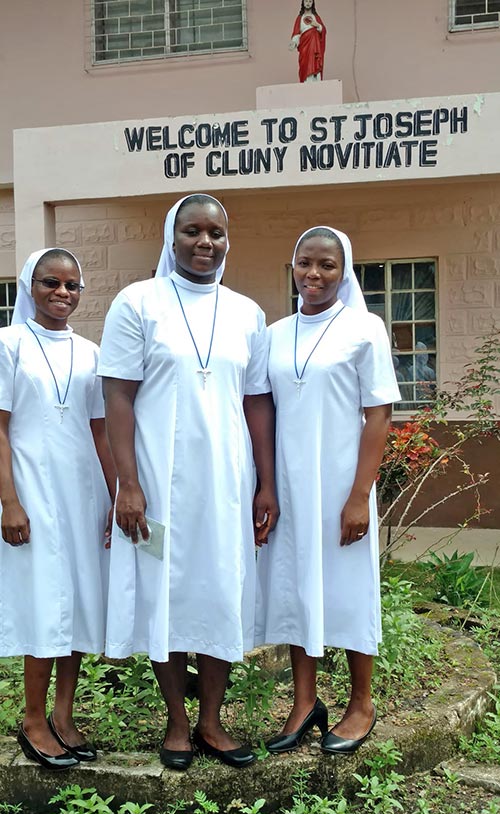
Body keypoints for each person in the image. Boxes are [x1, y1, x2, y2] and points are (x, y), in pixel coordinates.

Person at [98, 193, 278, 771]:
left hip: (227, 482)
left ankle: (211, 722)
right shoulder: (138, 302)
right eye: (193, 230)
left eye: (216, 233)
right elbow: (117, 397)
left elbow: (257, 403)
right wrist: (127, 484)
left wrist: (266, 484)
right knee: (166, 596)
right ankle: (177, 722)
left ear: (227, 240)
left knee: (221, 593)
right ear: (171, 238)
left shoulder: (247, 313)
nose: (205, 242)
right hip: (156, 482)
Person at [256, 226, 400, 755]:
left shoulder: (364, 328)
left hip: (342, 484)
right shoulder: (274, 333)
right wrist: (266, 486)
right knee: (298, 587)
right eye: (304, 263)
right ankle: (304, 702)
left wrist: (360, 495)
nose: (313, 274)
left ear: (345, 271)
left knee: (350, 588)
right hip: (290, 485)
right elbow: (263, 408)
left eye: (327, 265)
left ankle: (361, 704)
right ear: (293, 266)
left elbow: (379, 413)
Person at [0, 248, 115, 770]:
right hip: (32, 490)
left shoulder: (90, 352)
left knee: (81, 602)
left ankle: (63, 717)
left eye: (72, 285)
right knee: (46, 602)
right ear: (31, 285)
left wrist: (116, 495)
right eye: (51, 282)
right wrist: (9, 501)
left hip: (82, 493)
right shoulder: (9, 344)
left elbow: (100, 431)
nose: (62, 293)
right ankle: (32, 719)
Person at [290, 0, 327, 83]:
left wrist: (317, 25)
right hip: (304, 46)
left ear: (313, 3)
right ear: (303, 3)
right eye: (306, 1)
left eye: (310, 1)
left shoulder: (316, 17)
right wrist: (294, 42)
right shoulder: (299, 18)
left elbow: (323, 31)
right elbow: (296, 33)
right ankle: (306, 80)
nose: (308, 3)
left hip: (315, 46)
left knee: (315, 61)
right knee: (305, 64)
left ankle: (315, 78)